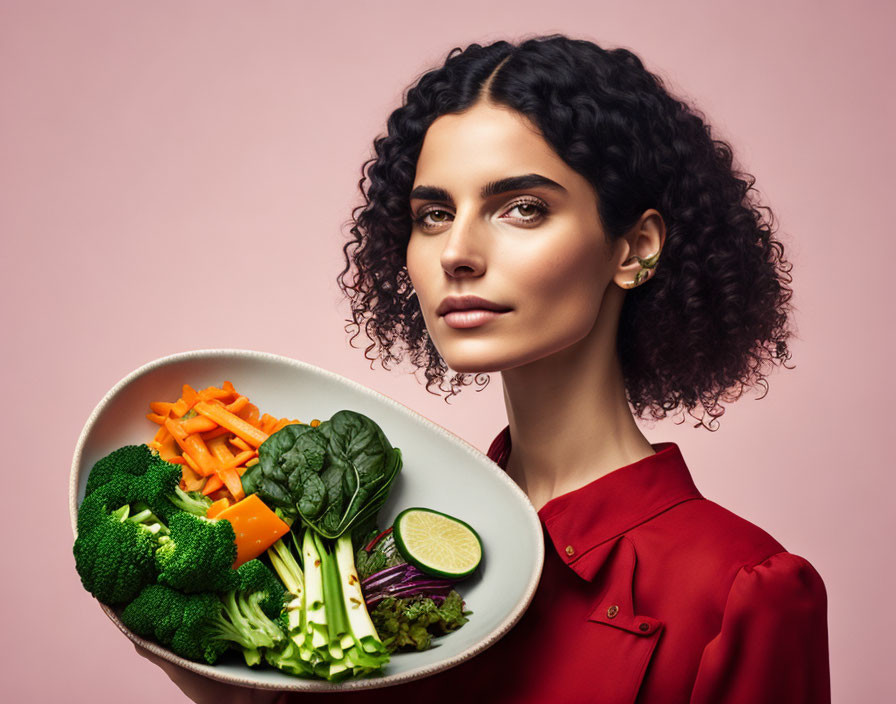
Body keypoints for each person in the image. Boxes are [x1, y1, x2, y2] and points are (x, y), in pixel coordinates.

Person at [141, 34, 831, 703]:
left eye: (522, 208)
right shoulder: (374, 538)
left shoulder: (743, 590)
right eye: (434, 214)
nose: (457, 252)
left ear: (633, 249)